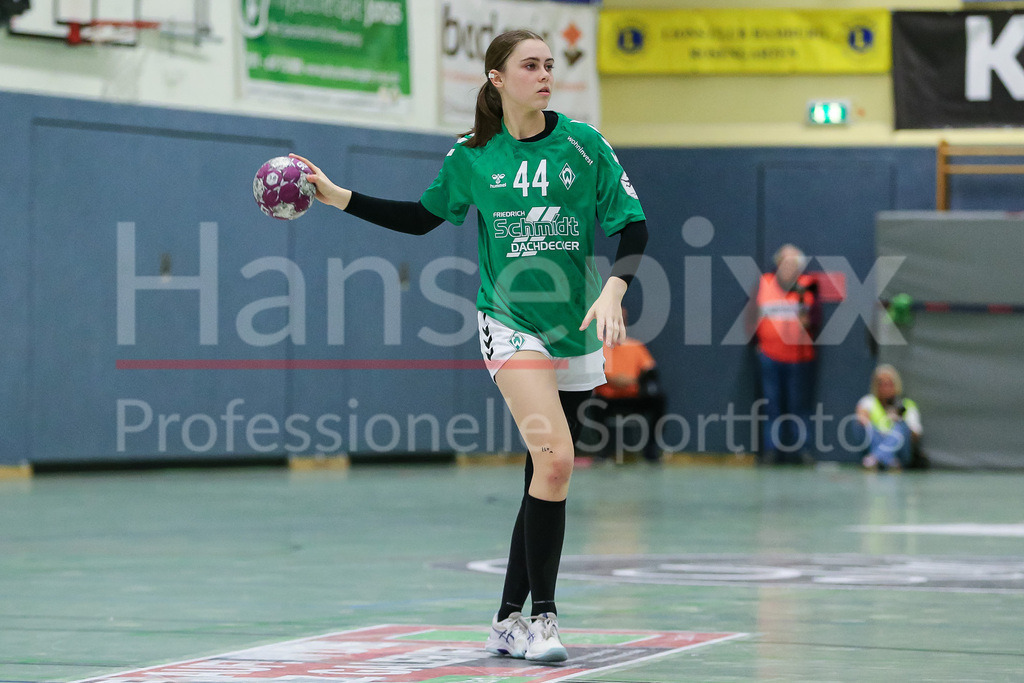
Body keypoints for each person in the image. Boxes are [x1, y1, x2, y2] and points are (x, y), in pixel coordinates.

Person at [290, 29, 648, 663]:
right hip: (508, 320)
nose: (544, 75)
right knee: (558, 459)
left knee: (546, 472)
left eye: (549, 64)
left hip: (575, 324)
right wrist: (337, 196)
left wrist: (616, 288)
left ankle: (505, 620)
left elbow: (633, 224)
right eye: (530, 65)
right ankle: (543, 619)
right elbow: (422, 216)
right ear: (497, 78)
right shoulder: (473, 156)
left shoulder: (585, 145)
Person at [753, 244, 819, 464]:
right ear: (778, 263)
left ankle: (802, 450)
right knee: (772, 405)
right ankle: (771, 451)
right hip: (770, 356)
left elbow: (818, 321)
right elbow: (749, 316)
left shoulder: (808, 288)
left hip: (800, 359)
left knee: (798, 405)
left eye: (794, 264)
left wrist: (809, 322)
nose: (789, 268)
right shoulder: (764, 284)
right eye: (785, 262)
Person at [590, 306, 665, 462]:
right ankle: (603, 451)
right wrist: (614, 380)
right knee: (594, 404)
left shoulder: (635, 346)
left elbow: (650, 370)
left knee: (659, 400)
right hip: (607, 399)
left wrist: (633, 381)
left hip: (633, 397)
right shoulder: (598, 347)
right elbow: (595, 372)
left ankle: (651, 449)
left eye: (621, 319)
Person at [855, 364, 923, 471]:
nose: (885, 388)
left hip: (900, 453)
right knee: (859, 424)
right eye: (881, 383)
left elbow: (915, 434)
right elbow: (861, 418)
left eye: (889, 383)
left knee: (900, 427)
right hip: (875, 443)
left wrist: (898, 421)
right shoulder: (868, 402)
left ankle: (876, 458)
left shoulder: (907, 405)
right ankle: (888, 460)